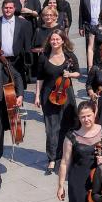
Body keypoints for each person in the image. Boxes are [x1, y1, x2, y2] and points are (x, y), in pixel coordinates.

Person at [34, 29, 81, 174]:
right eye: (52, 39)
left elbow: (78, 73)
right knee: (51, 128)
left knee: (69, 125)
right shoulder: (43, 57)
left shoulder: (69, 56)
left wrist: (70, 74)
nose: (54, 42)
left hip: (67, 95)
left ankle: (68, 154)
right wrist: (37, 95)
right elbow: (40, 78)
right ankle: (52, 158)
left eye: (57, 39)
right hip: (49, 96)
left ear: (63, 41)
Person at [0, 0, 32, 86]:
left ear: (14, 9)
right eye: (6, 8)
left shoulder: (23, 23)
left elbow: (27, 45)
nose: (8, 10)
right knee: (4, 87)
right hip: (1, 60)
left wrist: (28, 64)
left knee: (19, 88)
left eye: (10, 8)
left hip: (18, 61)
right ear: (2, 9)